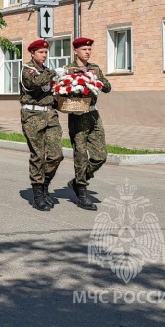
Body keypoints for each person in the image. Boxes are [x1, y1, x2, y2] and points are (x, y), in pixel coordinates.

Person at [64, 37, 112, 211]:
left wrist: (96, 80)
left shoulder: (94, 68)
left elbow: (107, 87)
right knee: (81, 154)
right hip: (77, 115)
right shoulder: (68, 70)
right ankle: (82, 194)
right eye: (84, 49)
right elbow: (61, 92)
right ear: (75, 51)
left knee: (100, 156)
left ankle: (78, 181)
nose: (87, 52)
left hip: (93, 114)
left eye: (89, 49)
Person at [20, 39, 62, 212]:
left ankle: (44, 184)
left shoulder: (46, 71)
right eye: (41, 52)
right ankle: (38, 194)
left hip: (50, 115)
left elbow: (51, 91)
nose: (44, 55)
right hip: (32, 115)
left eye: (46, 52)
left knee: (56, 155)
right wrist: (54, 73)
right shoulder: (27, 69)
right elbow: (35, 82)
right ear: (32, 53)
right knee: (38, 155)